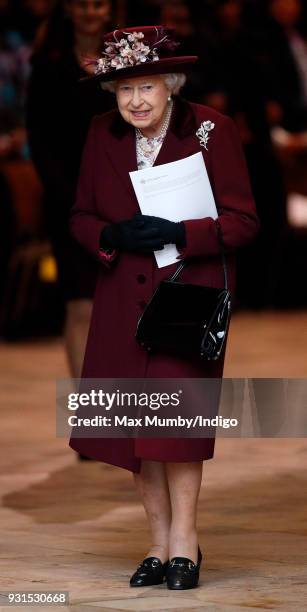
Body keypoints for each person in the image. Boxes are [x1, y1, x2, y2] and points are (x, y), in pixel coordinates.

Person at [69, 25, 259, 589]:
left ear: (170, 84)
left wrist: (182, 230)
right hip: (120, 303)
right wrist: (111, 235)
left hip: (185, 298)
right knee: (136, 431)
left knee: (173, 430)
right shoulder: (99, 133)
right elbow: (79, 216)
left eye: (147, 86)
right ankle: (156, 545)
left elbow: (245, 222)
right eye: (124, 90)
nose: (135, 101)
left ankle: (184, 545)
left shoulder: (210, 130)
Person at [26, 0, 114, 379]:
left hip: (122, 200)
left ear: (109, 9)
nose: (90, 13)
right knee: (80, 305)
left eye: (98, 5)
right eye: (83, 5)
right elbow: (40, 140)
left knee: (119, 305)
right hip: (69, 202)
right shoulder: (48, 63)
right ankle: (89, 405)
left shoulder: (127, 60)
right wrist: (70, 197)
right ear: (70, 10)